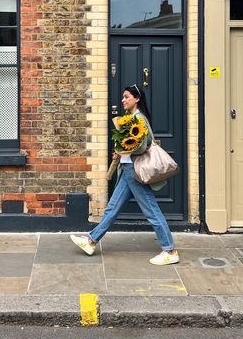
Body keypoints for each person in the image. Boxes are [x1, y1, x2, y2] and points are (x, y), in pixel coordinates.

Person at [70, 84, 179, 266]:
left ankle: (170, 250)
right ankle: (91, 241)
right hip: (128, 169)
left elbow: (143, 145)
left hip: (134, 172)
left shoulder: (139, 119)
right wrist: (121, 152)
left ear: (137, 99)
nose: (123, 100)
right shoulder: (131, 118)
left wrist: (124, 150)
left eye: (126, 96)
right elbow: (132, 145)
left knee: (151, 210)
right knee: (112, 208)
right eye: (123, 97)